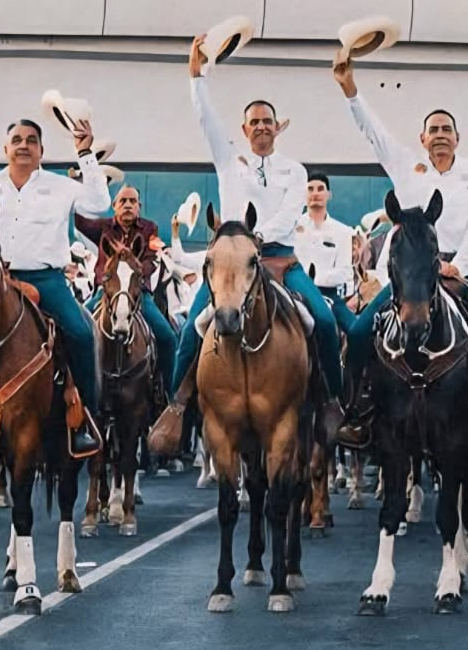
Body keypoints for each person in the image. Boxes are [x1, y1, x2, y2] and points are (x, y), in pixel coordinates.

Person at [154, 34, 345, 444]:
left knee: (325, 321)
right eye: (253, 121)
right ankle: (176, 408)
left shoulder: (295, 171)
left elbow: (287, 213)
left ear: (278, 128)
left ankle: (332, 400)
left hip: (279, 260)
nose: (261, 126)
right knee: (191, 328)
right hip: (229, 266)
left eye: (267, 121)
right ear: (244, 129)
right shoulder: (228, 163)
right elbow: (207, 120)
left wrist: (256, 239)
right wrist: (196, 77)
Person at [332, 55, 468, 445]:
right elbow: (374, 133)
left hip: (461, 272)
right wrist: (350, 89)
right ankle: (356, 410)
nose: (440, 135)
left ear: (458, 138)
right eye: (433, 130)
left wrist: (461, 266)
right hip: (410, 276)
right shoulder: (405, 165)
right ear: (422, 139)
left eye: (446, 130)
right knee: (356, 332)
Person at [0, 118, 110, 456]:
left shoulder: (61, 186)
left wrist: (85, 153)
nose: (23, 145)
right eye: (16, 139)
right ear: (5, 149)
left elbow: (100, 204)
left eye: (31, 140)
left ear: (41, 151)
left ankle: (84, 420)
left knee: (80, 332)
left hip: (46, 281)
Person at [76, 185, 178, 390]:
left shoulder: (150, 228)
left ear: (139, 207)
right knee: (76, 330)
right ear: (114, 206)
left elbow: (151, 258)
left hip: (137, 293)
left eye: (133, 201)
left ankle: (170, 395)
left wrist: (137, 272)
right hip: (105, 293)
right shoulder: (103, 227)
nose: (128, 205)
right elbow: (79, 221)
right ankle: (75, 391)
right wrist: (81, 186)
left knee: (168, 337)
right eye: (123, 201)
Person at [295, 172, 357, 333]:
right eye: (310, 189)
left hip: (330, 295)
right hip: (294, 294)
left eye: (320, 189)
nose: (315, 193)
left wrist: (316, 279)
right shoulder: (290, 228)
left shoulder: (343, 232)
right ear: (304, 194)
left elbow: (344, 271)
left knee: (357, 331)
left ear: (329, 195)